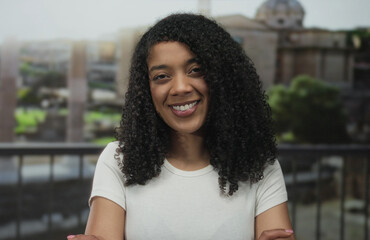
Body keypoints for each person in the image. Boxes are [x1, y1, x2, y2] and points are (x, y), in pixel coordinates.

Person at [68, 13, 295, 240]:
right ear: (147, 90)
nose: (179, 88)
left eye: (196, 70)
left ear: (224, 77)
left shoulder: (261, 166)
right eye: (162, 76)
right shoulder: (118, 160)